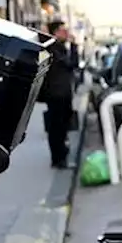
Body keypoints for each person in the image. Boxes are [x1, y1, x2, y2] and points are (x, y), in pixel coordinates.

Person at [40, 20, 79, 168]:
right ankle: (58, 159)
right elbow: (71, 64)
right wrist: (74, 46)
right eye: (63, 30)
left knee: (61, 126)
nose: (67, 33)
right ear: (55, 32)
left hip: (61, 92)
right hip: (56, 94)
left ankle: (61, 155)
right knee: (57, 128)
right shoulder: (52, 49)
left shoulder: (58, 47)